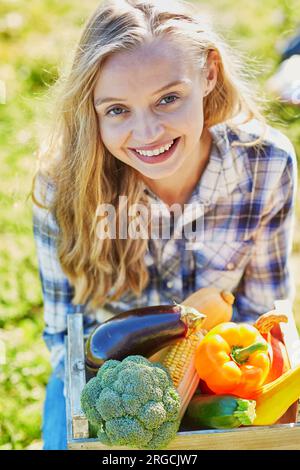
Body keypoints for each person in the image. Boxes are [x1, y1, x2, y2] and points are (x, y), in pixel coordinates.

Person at [31, 0, 297, 450]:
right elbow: (65, 335)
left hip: (219, 385)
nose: (148, 131)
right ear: (90, 108)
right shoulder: (64, 188)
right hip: (106, 389)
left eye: (168, 98)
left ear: (209, 73)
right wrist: (98, 414)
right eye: (117, 110)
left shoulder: (266, 165)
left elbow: (261, 314)